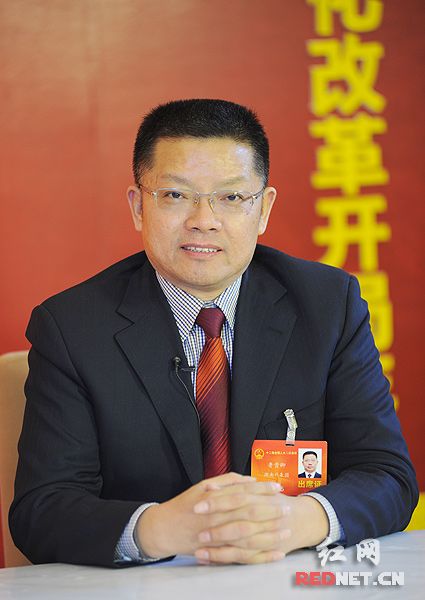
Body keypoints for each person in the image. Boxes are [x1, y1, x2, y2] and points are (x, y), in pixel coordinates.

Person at [10, 99, 418, 568]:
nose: (203, 219)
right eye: (175, 195)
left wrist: (290, 522)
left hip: (286, 581)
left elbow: (387, 476)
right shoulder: (73, 327)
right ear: (138, 206)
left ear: (263, 210)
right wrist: (162, 528)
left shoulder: (328, 306)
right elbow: (42, 510)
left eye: (231, 198)